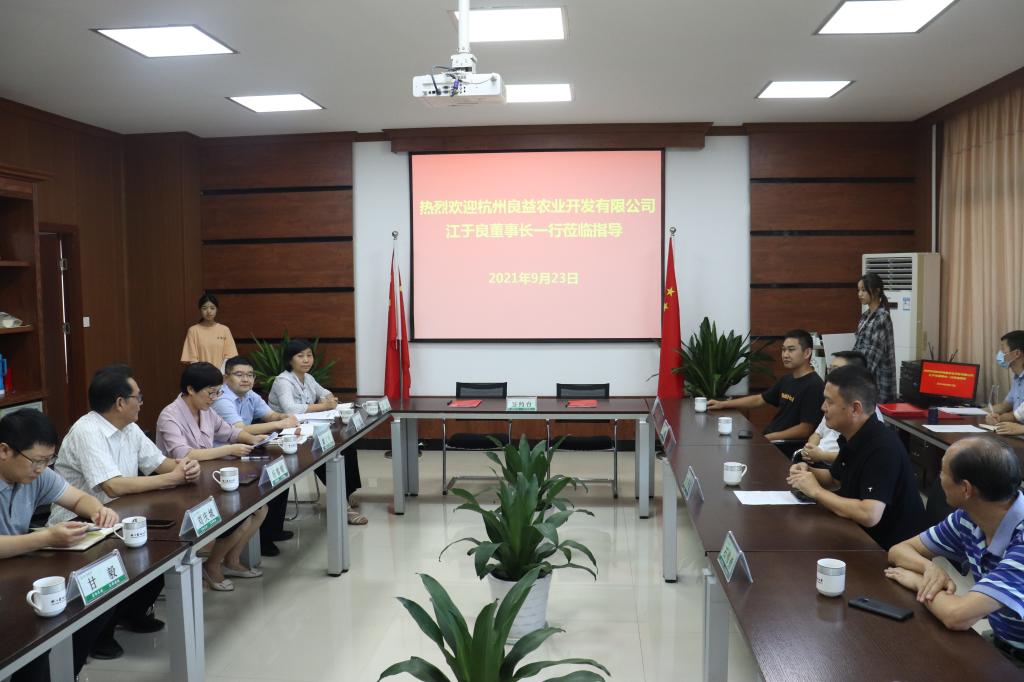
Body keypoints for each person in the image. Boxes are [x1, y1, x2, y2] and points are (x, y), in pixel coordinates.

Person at [50, 364, 201, 659]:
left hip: (121, 514)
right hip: (82, 522)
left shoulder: (129, 427)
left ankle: (132, 614)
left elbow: (159, 464)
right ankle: (98, 635)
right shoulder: (87, 431)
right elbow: (112, 486)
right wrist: (171, 478)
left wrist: (184, 466)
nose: (142, 403)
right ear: (120, 402)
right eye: (138, 397)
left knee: (166, 547)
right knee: (114, 561)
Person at [1, 409, 119, 680]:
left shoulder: (36, 475)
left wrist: (98, 510)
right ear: (4, 450)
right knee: (36, 638)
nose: (41, 469)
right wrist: (47, 538)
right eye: (36, 461)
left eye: (48, 460)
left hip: (19, 571)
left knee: (96, 600)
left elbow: (78, 499)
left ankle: (68, 672)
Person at [886, 437, 1024, 667]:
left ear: (965, 488)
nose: (939, 478)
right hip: (1001, 645)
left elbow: (957, 616)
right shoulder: (967, 518)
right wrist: (929, 568)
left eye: (943, 472)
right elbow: (899, 551)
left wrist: (918, 582)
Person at [787, 364, 928, 549]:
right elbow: (835, 479)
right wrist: (808, 472)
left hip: (888, 549)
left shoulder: (883, 447)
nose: (823, 407)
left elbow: (869, 514)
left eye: (829, 402)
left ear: (855, 408)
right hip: (859, 535)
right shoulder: (852, 435)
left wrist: (816, 492)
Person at [156, 362, 268, 591]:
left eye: (218, 392)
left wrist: (252, 439)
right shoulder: (170, 415)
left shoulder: (207, 410)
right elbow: (183, 454)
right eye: (211, 392)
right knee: (242, 513)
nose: (215, 398)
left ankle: (231, 560)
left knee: (260, 508)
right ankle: (213, 564)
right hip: (179, 487)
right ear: (190, 389)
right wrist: (229, 449)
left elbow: (230, 431)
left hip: (207, 479)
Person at [268, 339, 366, 525]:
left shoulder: (308, 378)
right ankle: (342, 504)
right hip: (285, 433)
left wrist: (328, 398)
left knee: (346, 447)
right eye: (300, 356)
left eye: (309, 355)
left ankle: (346, 493)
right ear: (289, 360)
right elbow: (290, 409)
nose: (306, 360)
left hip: (307, 427)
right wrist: (323, 406)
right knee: (324, 453)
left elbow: (325, 392)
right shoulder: (283, 381)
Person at [213, 356, 299, 556]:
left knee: (281, 470)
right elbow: (240, 429)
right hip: (224, 457)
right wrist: (279, 424)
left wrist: (283, 417)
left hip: (245, 450)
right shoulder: (222, 399)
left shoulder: (249, 394)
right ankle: (263, 540)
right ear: (226, 378)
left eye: (250, 375)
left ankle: (273, 530)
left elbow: (270, 415)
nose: (246, 379)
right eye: (239, 374)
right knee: (268, 477)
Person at [707, 329, 825, 446]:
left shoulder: (814, 386)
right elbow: (759, 399)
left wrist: (769, 438)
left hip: (784, 445)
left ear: (807, 353)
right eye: (783, 350)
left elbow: (805, 429)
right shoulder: (787, 379)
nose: (785, 355)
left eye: (791, 350)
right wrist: (722, 404)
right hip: (770, 439)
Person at [800, 350, 882, 466]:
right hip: (819, 464)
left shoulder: (869, 416)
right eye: (830, 369)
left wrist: (821, 455)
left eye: (837, 370)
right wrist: (810, 449)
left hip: (828, 464)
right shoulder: (834, 403)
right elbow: (818, 433)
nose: (831, 375)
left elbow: (854, 458)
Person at [852, 273, 897, 403]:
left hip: (879, 385)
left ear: (877, 291)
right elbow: (858, 348)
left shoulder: (882, 317)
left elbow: (872, 355)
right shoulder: (865, 316)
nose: (859, 294)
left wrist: (850, 371)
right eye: (858, 290)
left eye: (864, 290)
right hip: (865, 382)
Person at [181, 292, 237, 370]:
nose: (209, 311)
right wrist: (202, 373)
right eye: (204, 308)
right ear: (200, 309)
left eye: (212, 308)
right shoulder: (193, 331)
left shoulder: (224, 330)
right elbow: (192, 358)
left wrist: (220, 372)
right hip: (200, 375)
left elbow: (230, 355)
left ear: (217, 309)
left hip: (221, 375)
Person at [985, 330, 1024, 436]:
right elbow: (1016, 414)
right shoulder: (1017, 377)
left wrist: (1021, 429)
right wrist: (998, 418)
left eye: (1003, 350)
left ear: (1017, 353)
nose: (1000, 354)